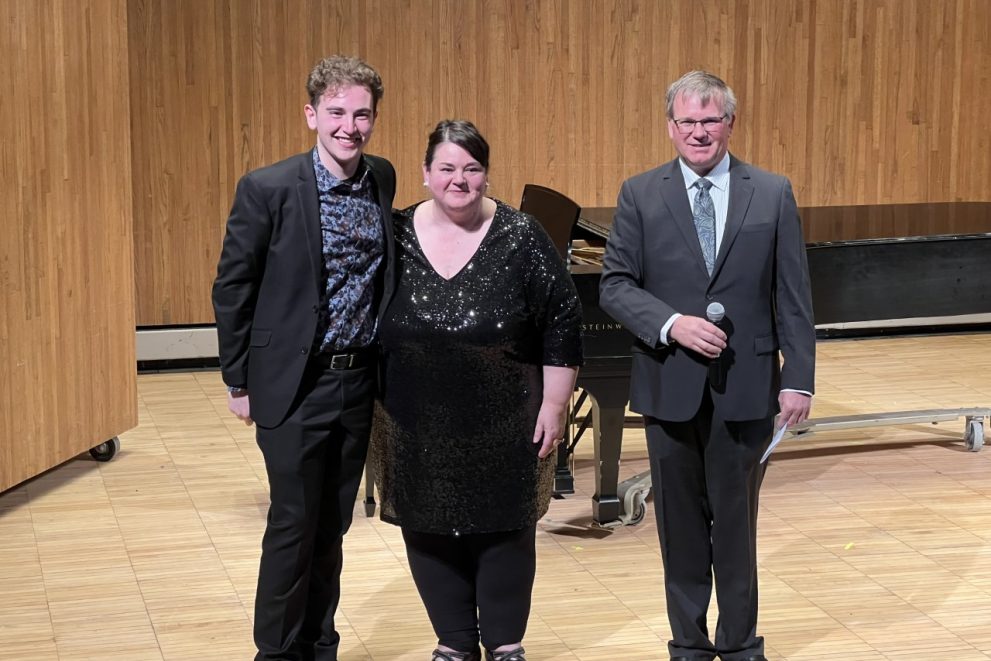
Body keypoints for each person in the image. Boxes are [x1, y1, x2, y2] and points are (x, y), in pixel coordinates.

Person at [599, 71, 815, 661]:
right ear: (671, 127)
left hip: (746, 388)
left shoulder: (770, 192)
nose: (699, 132)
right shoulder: (640, 193)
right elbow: (615, 286)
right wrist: (673, 323)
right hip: (669, 385)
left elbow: (792, 294)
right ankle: (688, 644)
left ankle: (741, 643)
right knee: (680, 526)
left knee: (737, 524)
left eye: (710, 120)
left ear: (730, 123)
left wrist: (798, 377)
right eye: (688, 122)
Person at [369, 120, 583, 661]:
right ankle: (456, 644)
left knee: (505, 530)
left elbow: (561, 323)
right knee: (425, 525)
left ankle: (506, 646)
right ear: (425, 174)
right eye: (446, 168)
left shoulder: (521, 235)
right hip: (410, 419)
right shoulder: (393, 235)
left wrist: (555, 405)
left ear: (486, 175)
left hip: (506, 417)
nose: (458, 180)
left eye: (471, 168)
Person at [212, 55, 395, 661]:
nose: (350, 126)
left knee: (333, 527)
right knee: (293, 522)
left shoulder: (382, 178)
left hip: (357, 380)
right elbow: (234, 286)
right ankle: (276, 651)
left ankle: (320, 642)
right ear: (312, 114)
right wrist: (238, 380)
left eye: (361, 114)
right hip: (294, 383)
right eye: (337, 112)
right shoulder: (267, 188)